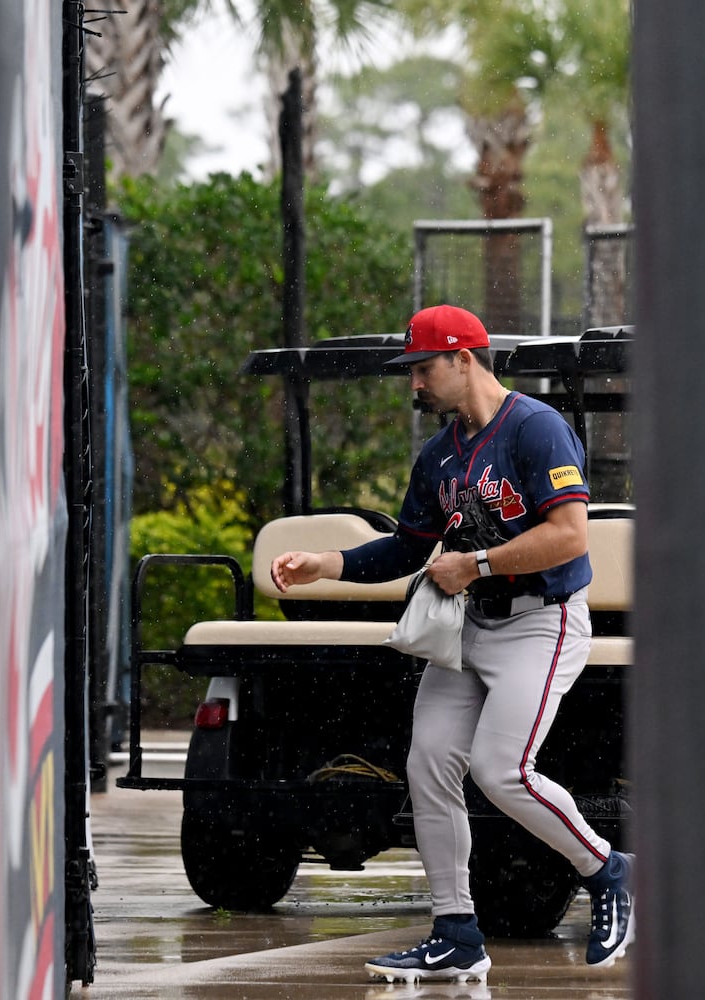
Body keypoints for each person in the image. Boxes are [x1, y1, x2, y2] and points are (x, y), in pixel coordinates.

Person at [269, 304, 634, 984]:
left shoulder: (534, 428)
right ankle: (455, 931)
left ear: (464, 358)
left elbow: (569, 535)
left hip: (541, 619)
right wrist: (327, 563)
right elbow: (407, 547)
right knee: (428, 764)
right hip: (472, 626)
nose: (414, 383)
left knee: (502, 770)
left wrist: (480, 565)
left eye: (423, 367)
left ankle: (609, 871)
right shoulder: (439, 453)